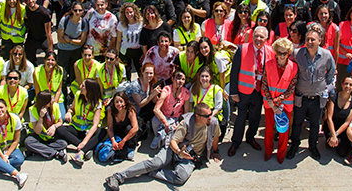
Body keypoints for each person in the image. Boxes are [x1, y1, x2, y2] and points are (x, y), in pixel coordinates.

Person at [105, 102, 220, 190]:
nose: (210, 117)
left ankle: (151, 172)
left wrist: (216, 151)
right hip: (174, 149)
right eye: (207, 116)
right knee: (156, 163)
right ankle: (118, 176)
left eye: (210, 114)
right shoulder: (186, 123)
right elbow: (173, 142)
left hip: (189, 157)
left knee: (181, 178)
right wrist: (179, 152)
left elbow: (215, 138)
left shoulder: (213, 123)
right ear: (198, 116)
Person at [287, 27, 336, 160]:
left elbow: (332, 73)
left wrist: (326, 88)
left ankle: (312, 146)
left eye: (313, 39)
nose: (309, 42)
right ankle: (294, 145)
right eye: (308, 39)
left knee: (315, 124)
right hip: (300, 96)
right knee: (297, 123)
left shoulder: (327, 55)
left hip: (317, 97)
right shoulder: (297, 53)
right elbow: (289, 70)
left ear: (319, 41)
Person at [227, 26, 274, 156]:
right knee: (241, 116)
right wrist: (234, 92)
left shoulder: (270, 51)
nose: (258, 39)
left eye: (261, 37)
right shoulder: (242, 49)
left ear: (266, 39)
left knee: (255, 116)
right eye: (256, 36)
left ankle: (250, 138)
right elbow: (234, 71)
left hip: (260, 91)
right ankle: (235, 142)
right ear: (252, 36)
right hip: (244, 90)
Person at [261, 38, 298, 163]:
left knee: (284, 131)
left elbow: (291, 88)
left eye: (285, 53)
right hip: (269, 104)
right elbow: (264, 84)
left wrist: (276, 102)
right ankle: (268, 151)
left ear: (289, 53)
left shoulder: (294, 67)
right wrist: (272, 103)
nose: (282, 56)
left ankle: (281, 154)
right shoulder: (268, 64)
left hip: (284, 105)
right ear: (275, 52)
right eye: (280, 53)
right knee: (269, 129)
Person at [56, 78, 106, 166]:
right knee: (60, 130)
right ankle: (86, 149)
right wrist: (69, 113)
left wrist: (84, 142)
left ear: (89, 90)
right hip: (76, 128)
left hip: (88, 132)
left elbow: (95, 125)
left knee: (102, 131)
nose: (80, 87)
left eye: (83, 86)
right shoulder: (78, 95)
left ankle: (81, 152)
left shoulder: (98, 103)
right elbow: (72, 109)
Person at [25, 90, 68, 162]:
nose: (53, 100)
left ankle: (36, 150)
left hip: (51, 136)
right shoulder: (32, 110)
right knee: (28, 142)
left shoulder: (55, 106)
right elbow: (38, 131)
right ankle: (56, 153)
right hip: (39, 136)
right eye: (51, 99)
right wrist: (41, 117)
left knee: (63, 143)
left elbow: (60, 122)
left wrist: (54, 126)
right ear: (45, 102)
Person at [152, 71, 190, 149]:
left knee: (170, 141)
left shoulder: (185, 92)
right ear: (172, 79)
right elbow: (156, 109)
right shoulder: (166, 90)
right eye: (178, 78)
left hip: (176, 118)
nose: (180, 81)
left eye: (183, 79)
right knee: (155, 121)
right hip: (163, 116)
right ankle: (158, 135)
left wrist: (180, 124)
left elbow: (187, 113)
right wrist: (166, 123)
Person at [325, 75, 352, 159]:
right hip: (331, 126)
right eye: (346, 84)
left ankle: (336, 141)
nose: (348, 86)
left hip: (342, 130)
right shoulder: (333, 97)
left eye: (351, 85)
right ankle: (331, 140)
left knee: (342, 153)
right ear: (342, 84)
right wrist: (333, 134)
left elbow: (347, 122)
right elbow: (329, 117)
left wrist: (335, 135)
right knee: (329, 146)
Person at [58, 2, 89, 81]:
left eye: (80, 10)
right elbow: (60, 38)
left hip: (76, 51)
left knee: (75, 74)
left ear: (83, 11)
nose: (77, 12)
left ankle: (73, 92)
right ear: (72, 10)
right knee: (62, 74)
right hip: (63, 50)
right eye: (75, 10)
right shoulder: (64, 20)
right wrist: (75, 41)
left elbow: (82, 42)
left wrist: (69, 40)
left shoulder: (84, 22)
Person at [105, 93, 140, 161]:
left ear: (125, 102)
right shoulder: (111, 110)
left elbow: (135, 128)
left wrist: (124, 141)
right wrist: (113, 141)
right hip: (118, 132)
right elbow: (110, 127)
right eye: (116, 102)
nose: (119, 104)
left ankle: (131, 148)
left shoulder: (130, 110)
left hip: (129, 134)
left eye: (121, 101)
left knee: (129, 128)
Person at [115, 3, 144, 79]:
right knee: (126, 72)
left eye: (131, 12)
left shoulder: (141, 22)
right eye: (127, 13)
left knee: (140, 71)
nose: (129, 14)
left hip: (138, 51)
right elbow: (118, 41)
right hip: (125, 51)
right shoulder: (121, 24)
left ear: (134, 12)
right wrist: (117, 55)